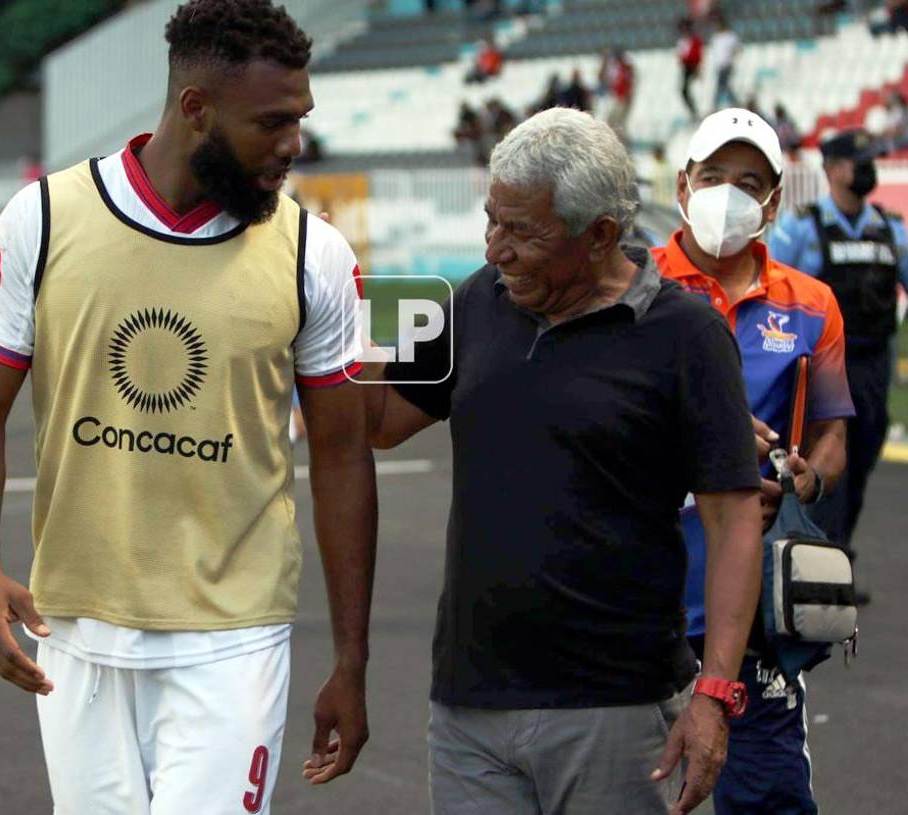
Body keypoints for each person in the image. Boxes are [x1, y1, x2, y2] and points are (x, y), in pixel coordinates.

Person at [0, 1, 377, 812]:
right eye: (272, 122)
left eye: (301, 120)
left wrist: (351, 659)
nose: (293, 144)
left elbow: (345, 455)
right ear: (195, 109)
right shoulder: (41, 220)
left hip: (233, 637)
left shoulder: (314, 255)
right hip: (72, 629)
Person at [359, 107, 764, 815]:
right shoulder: (477, 302)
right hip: (469, 709)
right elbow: (382, 421)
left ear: (600, 233)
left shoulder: (685, 336)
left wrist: (715, 693)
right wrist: (314, 328)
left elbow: (735, 523)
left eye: (521, 231)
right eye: (492, 221)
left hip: (620, 714)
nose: (494, 250)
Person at [653, 108, 853, 815]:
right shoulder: (632, 289)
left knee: (769, 800)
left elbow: (833, 429)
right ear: (682, 185)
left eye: (749, 181)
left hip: (757, 605)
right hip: (635, 596)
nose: (728, 194)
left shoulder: (813, 305)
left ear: (772, 201)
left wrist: (811, 475)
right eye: (713, 176)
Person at [768, 129, 908, 594]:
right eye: (857, 160)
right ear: (831, 169)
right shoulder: (802, 228)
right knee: (828, 468)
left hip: (872, 367)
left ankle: (835, 555)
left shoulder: (890, 230)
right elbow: (769, 285)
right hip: (823, 367)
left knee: (862, 462)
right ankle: (822, 573)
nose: (866, 167)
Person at [677, 17, 704, 119]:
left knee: (687, 89)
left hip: (692, 66)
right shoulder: (682, 41)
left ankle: (695, 112)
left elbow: (698, 55)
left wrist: (698, 68)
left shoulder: (695, 40)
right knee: (684, 91)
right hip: (685, 68)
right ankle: (693, 112)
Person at [710, 17, 740, 110]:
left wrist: (731, 57)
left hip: (727, 64)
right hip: (720, 65)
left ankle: (715, 106)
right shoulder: (716, 37)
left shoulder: (730, 36)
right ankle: (734, 103)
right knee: (724, 85)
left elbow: (737, 48)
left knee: (721, 85)